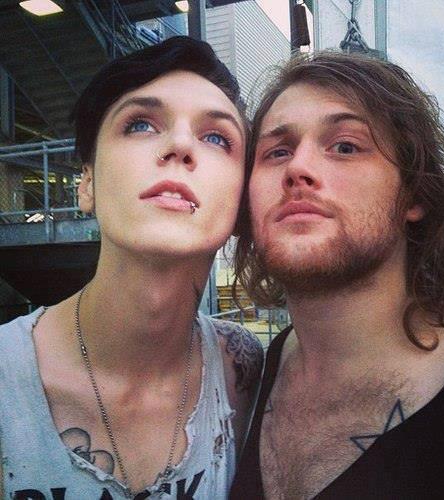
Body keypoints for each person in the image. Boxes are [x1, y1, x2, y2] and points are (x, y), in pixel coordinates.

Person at [0, 36, 263, 499]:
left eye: (216, 138)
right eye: (140, 124)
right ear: (86, 184)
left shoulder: (243, 370)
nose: (180, 145)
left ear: (242, 203)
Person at [230, 50, 444, 499]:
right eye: (277, 151)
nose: (297, 168)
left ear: (414, 194)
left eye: (345, 146)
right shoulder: (251, 377)